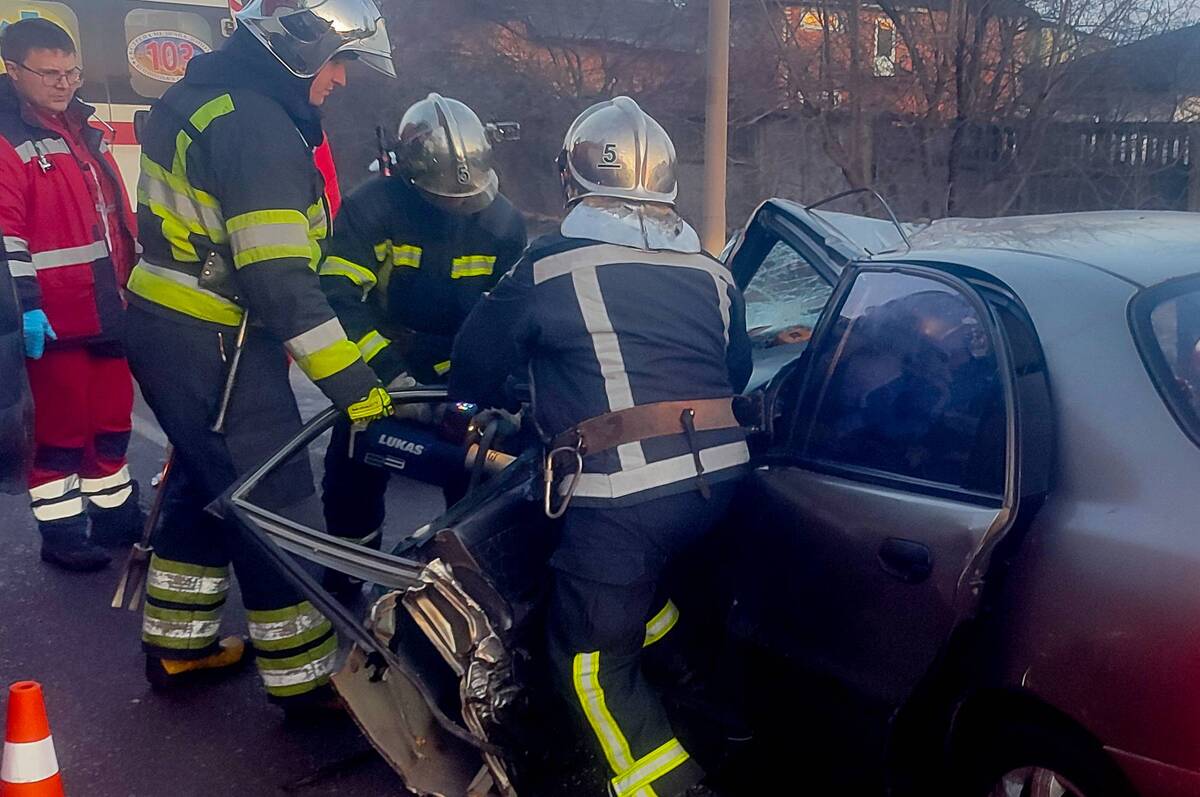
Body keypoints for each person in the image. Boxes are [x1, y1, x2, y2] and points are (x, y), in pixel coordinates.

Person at [450, 96, 751, 797]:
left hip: (625, 498)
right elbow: (730, 373)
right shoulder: (715, 272)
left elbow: (473, 363)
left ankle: (665, 785)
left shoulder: (550, 266)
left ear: (573, 180)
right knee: (639, 595)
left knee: (586, 663)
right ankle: (711, 708)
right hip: (719, 488)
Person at [123, 0, 396, 709]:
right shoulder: (256, 126)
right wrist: (352, 384)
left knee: (209, 483)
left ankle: (180, 645)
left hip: (172, 323)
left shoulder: (210, 95)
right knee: (273, 499)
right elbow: (279, 282)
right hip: (214, 335)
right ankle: (306, 682)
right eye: (338, 61)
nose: (340, 79)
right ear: (299, 48)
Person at [318, 93, 526, 583]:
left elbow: (513, 317)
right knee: (352, 463)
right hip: (380, 372)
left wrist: (504, 392)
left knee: (475, 474)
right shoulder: (372, 211)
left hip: (463, 375)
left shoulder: (503, 224)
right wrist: (391, 377)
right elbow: (338, 299)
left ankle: (465, 581)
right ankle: (348, 570)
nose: (457, 210)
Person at [0, 19, 141, 572]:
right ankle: (60, 534)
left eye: (72, 71)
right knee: (59, 434)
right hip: (52, 317)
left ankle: (115, 517)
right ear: (14, 72)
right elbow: (6, 235)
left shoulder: (83, 128)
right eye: (49, 73)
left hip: (108, 306)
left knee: (112, 422)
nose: (63, 83)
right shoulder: (9, 139)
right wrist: (25, 307)